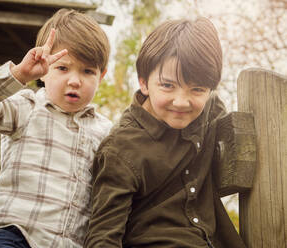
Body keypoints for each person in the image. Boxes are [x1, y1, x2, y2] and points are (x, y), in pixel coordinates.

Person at [84, 17, 246, 248]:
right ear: (144, 82)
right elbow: (103, 237)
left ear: (210, 89)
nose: (181, 102)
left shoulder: (209, 113)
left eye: (197, 89)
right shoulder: (121, 149)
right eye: (168, 85)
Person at [0, 8, 112, 248]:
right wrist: (19, 74)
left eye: (87, 71)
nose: (74, 80)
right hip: (14, 233)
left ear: (101, 76)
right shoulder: (27, 108)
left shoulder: (105, 131)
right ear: (44, 70)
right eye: (62, 68)